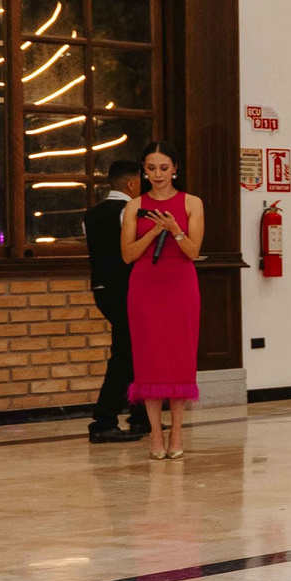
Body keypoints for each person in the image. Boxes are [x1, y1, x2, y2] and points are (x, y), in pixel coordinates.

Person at [120, 144, 203, 461]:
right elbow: (127, 255)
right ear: (144, 169)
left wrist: (176, 230)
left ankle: (177, 430)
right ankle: (156, 433)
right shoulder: (134, 207)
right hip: (145, 289)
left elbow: (193, 252)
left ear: (175, 169)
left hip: (181, 286)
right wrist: (155, 230)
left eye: (164, 168)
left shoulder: (192, 203)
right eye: (151, 168)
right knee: (149, 359)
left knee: (179, 358)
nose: (157, 174)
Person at [84, 158, 149, 444]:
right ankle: (104, 420)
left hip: (101, 289)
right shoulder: (129, 212)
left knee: (135, 351)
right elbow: (135, 252)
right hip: (126, 290)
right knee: (125, 354)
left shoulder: (91, 214)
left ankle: (139, 415)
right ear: (133, 183)